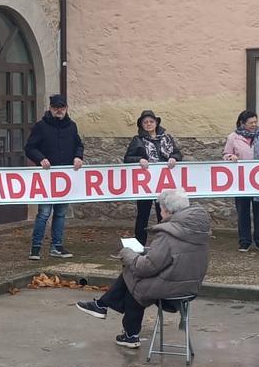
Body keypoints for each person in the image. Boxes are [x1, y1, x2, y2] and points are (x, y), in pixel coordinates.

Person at [75, 190, 210, 349]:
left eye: (160, 209)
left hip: (171, 289)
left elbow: (147, 267)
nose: (160, 212)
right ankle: (106, 310)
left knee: (133, 276)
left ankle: (126, 330)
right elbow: (173, 256)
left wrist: (127, 254)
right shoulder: (197, 228)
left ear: (167, 210)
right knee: (135, 278)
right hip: (189, 286)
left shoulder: (168, 233)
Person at [24, 94, 84, 260]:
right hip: (46, 178)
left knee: (61, 213)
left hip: (65, 179)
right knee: (43, 213)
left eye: (62, 108)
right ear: (50, 109)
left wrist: (78, 156)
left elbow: (78, 144)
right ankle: (35, 248)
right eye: (56, 108)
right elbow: (29, 147)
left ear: (66, 109)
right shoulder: (41, 126)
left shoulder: (72, 126)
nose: (59, 110)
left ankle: (56, 246)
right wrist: (40, 158)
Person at [123, 110, 182, 246]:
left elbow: (177, 153)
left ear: (156, 123)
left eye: (151, 121)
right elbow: (127, 158)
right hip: (145, 184)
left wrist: (174, 157)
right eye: (145, 122)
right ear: (142, 125)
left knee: (164, 214)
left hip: (163, 183)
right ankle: (140, 243)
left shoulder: (166, 138)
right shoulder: (137, 140)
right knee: (143, 214)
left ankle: (164, 242)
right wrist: (139, 160)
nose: (148, 124)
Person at [222, 110, 259, 252]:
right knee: (243, 210)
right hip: (241, 180)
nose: (254, 125)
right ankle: (244, 241)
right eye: (251, 122)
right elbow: (226, 154)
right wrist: (230, 157)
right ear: (242, 123)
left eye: (255, 122)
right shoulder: (233, 137)